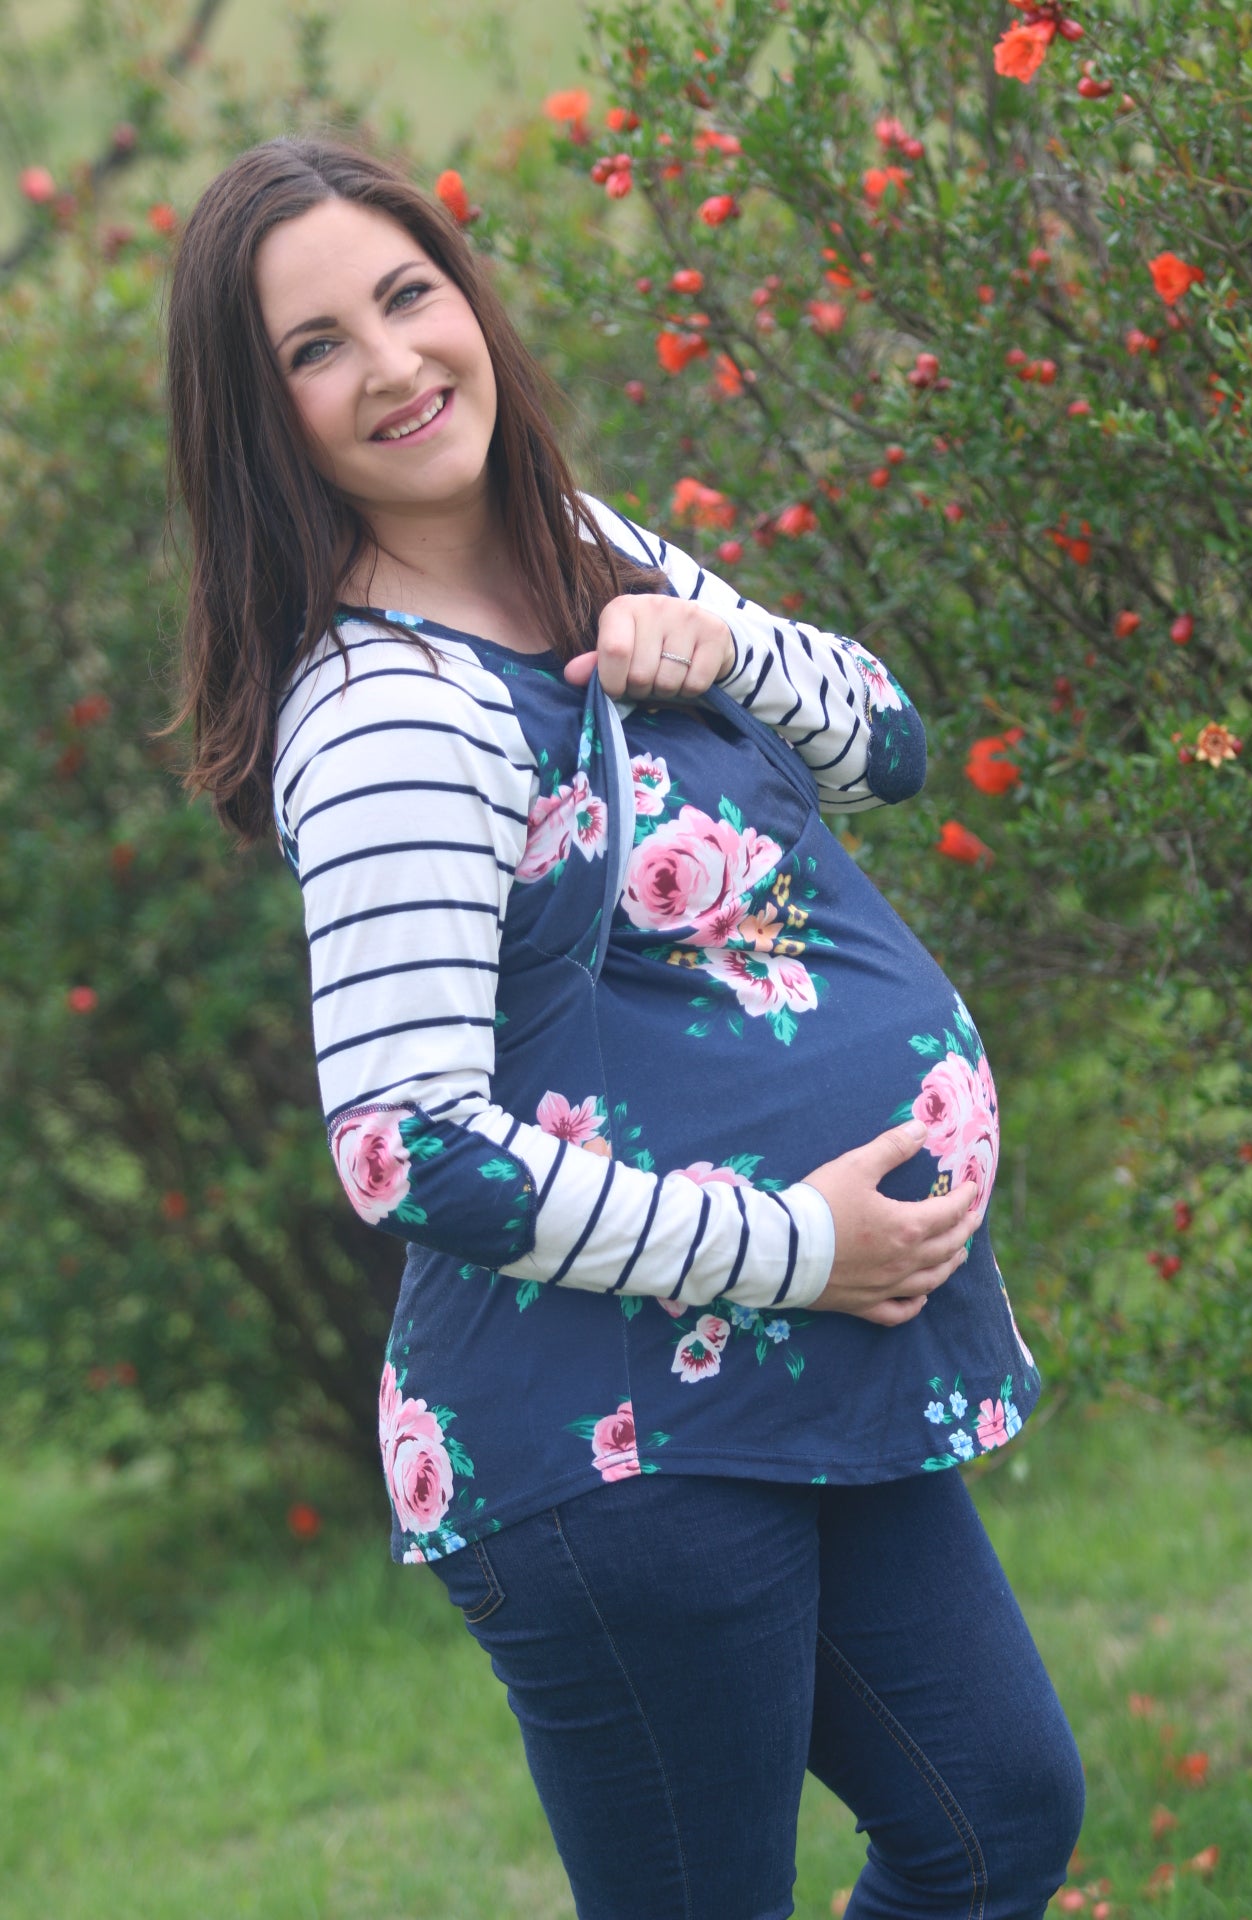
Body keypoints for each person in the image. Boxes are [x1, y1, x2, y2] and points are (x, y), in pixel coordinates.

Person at [166, 135, 1085, 1920]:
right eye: (315, 348)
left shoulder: (578, 549)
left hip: (797, 1375)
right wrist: (795, 1245)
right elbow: (404, 1146)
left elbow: (884, 744)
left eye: (408, 295)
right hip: (608, 1448)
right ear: (258, 421)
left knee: (996, 1819)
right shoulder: (384, 720)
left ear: (468, 297)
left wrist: (721, 646)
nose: (395, 362)